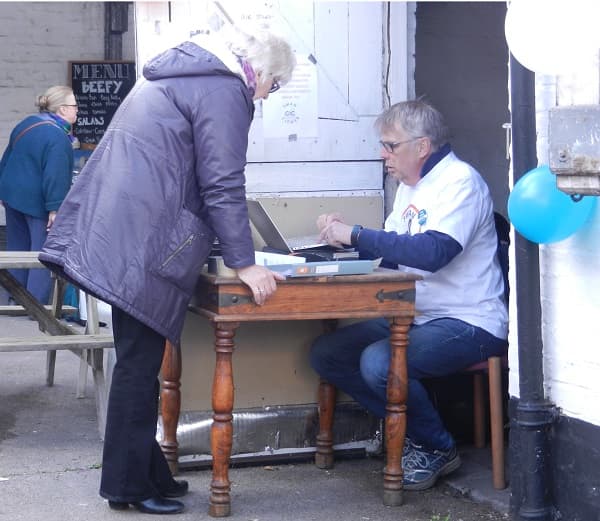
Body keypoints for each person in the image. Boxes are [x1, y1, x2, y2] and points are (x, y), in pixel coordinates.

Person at [39, 29, 296, 515]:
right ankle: (128, 487)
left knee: (138, 360)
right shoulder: (225, 90)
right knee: (138, 368)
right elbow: (221, 181)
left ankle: (150, 471)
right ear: (259, 73)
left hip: (118, 230)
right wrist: (244, 262)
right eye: (273, 87)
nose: (265, 98)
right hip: (142, 238)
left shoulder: (181, 76)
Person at [310, 100, 508, 491]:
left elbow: (433, 253)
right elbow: (392, 250)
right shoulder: (407, 187)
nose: (382, 155)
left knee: (380, 362)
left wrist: (356, 233)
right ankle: (410, 431)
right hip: (417, 315)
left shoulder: (460, 183)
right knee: (326, 353)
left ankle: (436, 447)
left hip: (471, 320)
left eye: (390, 146)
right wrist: (333, 244)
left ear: (422, 146)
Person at [0, 85, 77, 304]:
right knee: (41, 255)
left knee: (17, 249)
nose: (77, 111)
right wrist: (55, 208)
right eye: (74, 106)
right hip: (37, 202)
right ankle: (36, 307)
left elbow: (7, 157)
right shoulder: (58, 137)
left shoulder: (27, 123)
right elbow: (55, 176)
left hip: (12, 197)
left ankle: (14, 301)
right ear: (62, 109)